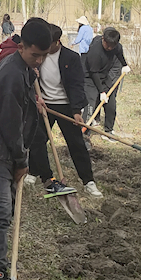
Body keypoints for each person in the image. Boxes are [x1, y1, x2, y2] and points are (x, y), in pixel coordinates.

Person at [0, 17, 52, 280]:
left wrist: (34, 98)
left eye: (44, 56)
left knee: (7, 210)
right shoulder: (10, 74)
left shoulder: (24, 69)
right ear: (22, 46)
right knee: (2, 211)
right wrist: (21, 160)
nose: (40, 61)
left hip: (9, 151)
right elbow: (9, 123)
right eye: (35, 55)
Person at [28, 23, 102, 216]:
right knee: (37, 140)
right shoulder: (39, 56)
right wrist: (37, 96)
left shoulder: (71, 58)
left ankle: (88, 181)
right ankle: (35, 173)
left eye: (48, 44)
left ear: (57, 42)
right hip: (44, 104)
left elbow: (77, 84)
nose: (44, 48)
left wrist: (77, 111)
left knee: (76, 143)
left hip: (66, 106)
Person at [83, 27, 130, 136]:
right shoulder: (95, 52)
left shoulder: (116, 47)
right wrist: (102, 91)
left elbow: (119, 54)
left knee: (111, 104)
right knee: (90, 104)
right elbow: (94, 73)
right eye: (107, 44)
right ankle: (85, 133)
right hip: (90, 77)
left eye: (112, 46)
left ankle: (109, 131)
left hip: (105, 75)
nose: (109, 48)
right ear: (103, 39)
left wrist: (124, 65)